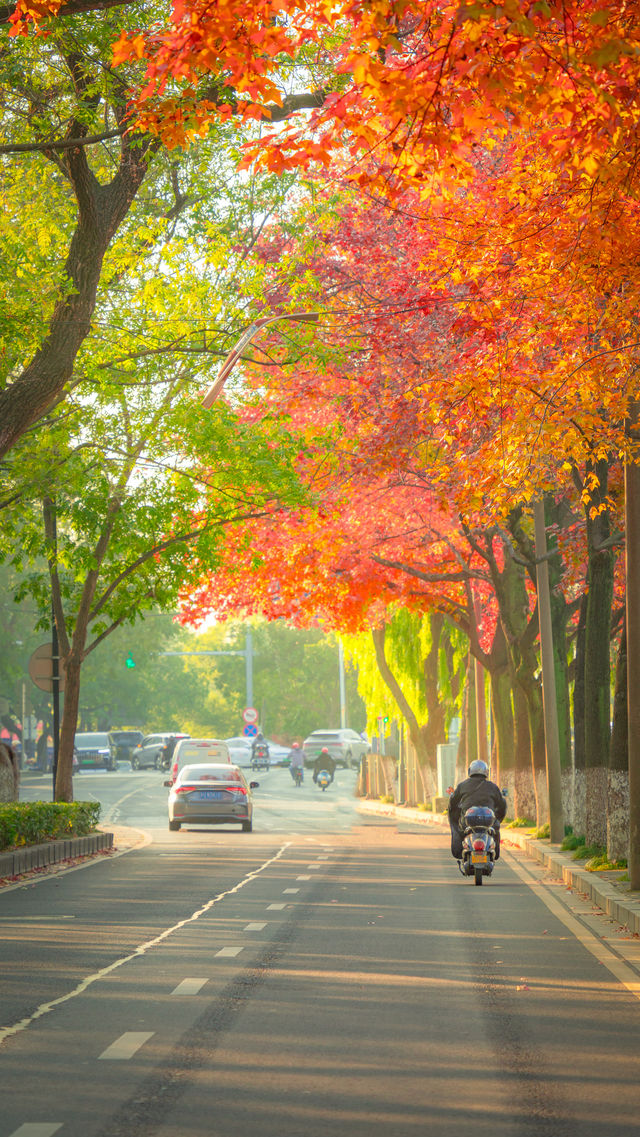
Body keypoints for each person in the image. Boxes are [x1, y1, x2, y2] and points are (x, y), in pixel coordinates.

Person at [448, 760, 506, 860]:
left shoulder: (462, 786)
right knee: (495, 829)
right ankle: (495, 852)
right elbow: (501, 805)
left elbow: (453, 803)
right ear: (486, 772)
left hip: (467, 821)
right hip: (488, 821)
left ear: (470, 771)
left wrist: (455, 816)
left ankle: (461, 850)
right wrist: (498, 819)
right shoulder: (492, 787)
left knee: (460, 828)